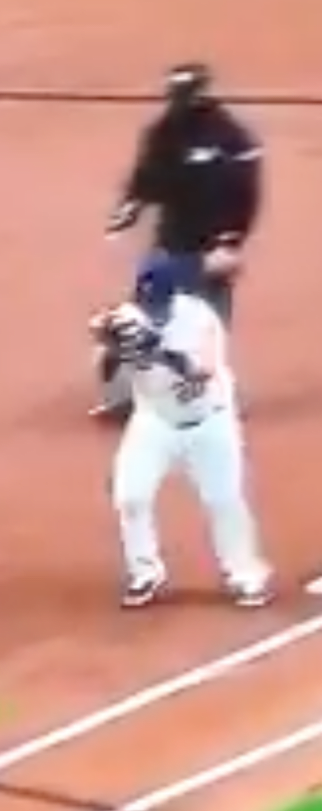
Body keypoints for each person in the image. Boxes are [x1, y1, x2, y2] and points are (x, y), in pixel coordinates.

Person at [93, 252, 272, 609]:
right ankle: (145, 573)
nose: (149, 306)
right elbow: (107, 370)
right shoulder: (128, 317)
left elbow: (201, 371)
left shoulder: (200, 319)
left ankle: (246, 575)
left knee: (224, 501)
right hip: (155, 421)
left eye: (156, 299)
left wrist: (157, 351)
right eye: (145, 297)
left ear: (173, 294)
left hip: (210, 421)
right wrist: (112, 350)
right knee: (130, 496)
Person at [92, 62, 264, 419]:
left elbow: (244, 195)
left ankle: (210, 397)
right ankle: (127, 396)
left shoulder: (231, 137)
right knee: (146, 318)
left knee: (206, 326)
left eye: (185, 97)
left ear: (202, 95)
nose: (178, 105)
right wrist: (129, 207)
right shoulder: (163, 132)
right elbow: (146, 178)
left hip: (212, 246)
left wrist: (229, 244)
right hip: (171, 243)